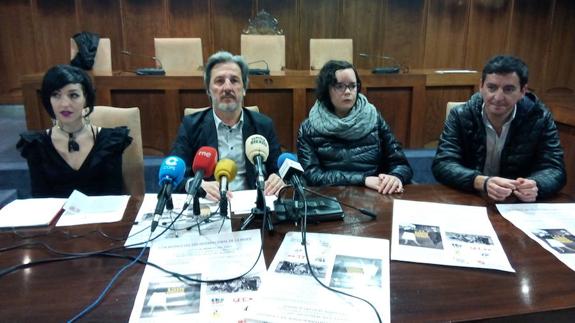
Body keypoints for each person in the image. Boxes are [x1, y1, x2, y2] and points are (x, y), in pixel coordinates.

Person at [432, 55, 566, 201]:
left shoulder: (540, 118)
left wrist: (537, 185)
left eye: (508, 89)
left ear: (523, 91)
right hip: (471, 197)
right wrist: (481, 182)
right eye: (492, 88)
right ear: (481, 86)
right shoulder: (461, 115)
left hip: (516, 202)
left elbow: (555, 170)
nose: (498, 97)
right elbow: (443, 164)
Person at [170, 51, 284, 201]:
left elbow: (279, 171)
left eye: (234, 80)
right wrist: (195, 184)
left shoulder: (263, 125)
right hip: (210, 206)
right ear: (208, 90)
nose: (227, 87)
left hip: (254, 205)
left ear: (244, 89)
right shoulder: (191, 126)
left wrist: (278, 179)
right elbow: (173, 176)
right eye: (219, 81)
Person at [297, 60, 412, 194]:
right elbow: (312, 176)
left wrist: (395, 177)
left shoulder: (373, 118)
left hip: (375, 194)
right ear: (326, 89)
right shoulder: (309, 128)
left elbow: (401, 165)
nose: (347, 92)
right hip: (330, 197)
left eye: (352, 86)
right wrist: (362, 180)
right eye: (340, 86)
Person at [17, 64, 132, 197]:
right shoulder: (36, 145)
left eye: (73, 95)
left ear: (86, 99)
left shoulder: (111, 141)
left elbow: (113, 195)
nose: (64, 104)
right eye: (56, 95)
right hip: (56, 216)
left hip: (100, 215)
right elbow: (40, 200)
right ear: (48, 100)